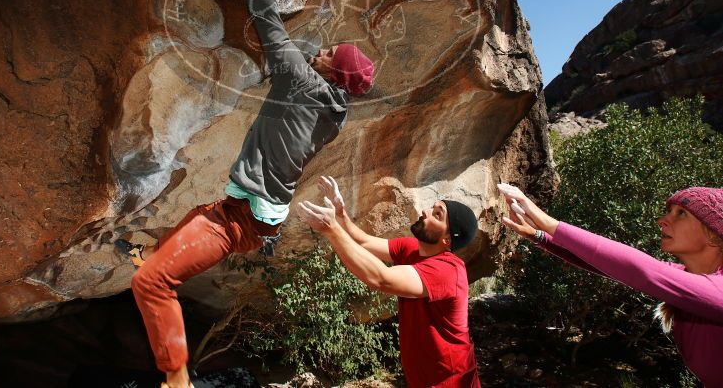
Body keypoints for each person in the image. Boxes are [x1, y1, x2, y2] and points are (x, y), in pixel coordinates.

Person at [120, 0, 375, 388]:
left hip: (244, 219)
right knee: (196, 217)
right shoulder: (333, 112)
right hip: (252, 213)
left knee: (151, 283)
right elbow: (306, 60)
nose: (319, 49)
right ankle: (158, 257)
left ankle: (177, 381)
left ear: (328, 72)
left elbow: (265, 11)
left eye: (327, 54)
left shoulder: (301, 81)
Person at [498, 183, 723, 387]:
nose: (662, 220)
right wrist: (539, 235)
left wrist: (549, 223)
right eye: (669, 211)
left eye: (681, 213)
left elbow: (644, 271)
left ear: (713, 234)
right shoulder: (688, 276)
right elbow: (614, 268)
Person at [298, 176, 482, 387]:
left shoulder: (449, 271)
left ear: (447, 240)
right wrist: (341, 215)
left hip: (451, 382)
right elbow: (364, 241)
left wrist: (332, 228)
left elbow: (380, 279)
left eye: (437, 215)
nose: (425, 211)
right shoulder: (412, 249)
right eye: (432, 208)